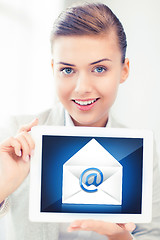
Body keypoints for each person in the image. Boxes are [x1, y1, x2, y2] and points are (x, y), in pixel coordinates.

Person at [0, 2, 160, 240]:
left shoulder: (143, 152)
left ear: (124, 70)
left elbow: (151, 234)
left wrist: (121, 238)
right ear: (54, 69)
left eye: (99, 69)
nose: (82, 88)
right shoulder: (15, 138)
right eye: (67, 70)